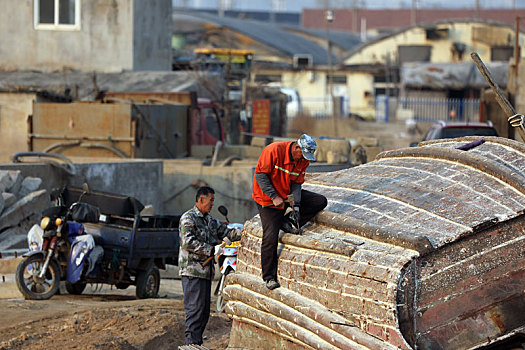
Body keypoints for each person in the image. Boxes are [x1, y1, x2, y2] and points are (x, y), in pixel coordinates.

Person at [252, 134, 327, 290]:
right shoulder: (273, 150)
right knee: (270, 236)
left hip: (285, 193)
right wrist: (273, 196)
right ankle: (269, 277)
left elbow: (296, 184)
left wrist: (296, 207)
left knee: (320, 201)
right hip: (267, 199)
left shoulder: (303, 160)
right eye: (302, 155)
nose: (303, 159)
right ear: (296, 147)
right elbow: (260, 176)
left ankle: (286, 222)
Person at [178, 186, 241, 345]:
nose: (212, 203)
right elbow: (188, 243)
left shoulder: (210, 221)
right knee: (195, 312)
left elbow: (227, 232)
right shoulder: (188, 218)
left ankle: (196, 344)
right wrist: (211, 250)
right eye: (211, 200)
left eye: (213, 200)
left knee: (204, 312)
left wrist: (246, 230)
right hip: (192, 272)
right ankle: (190, 345)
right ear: (201, 200)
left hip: (206, 272)